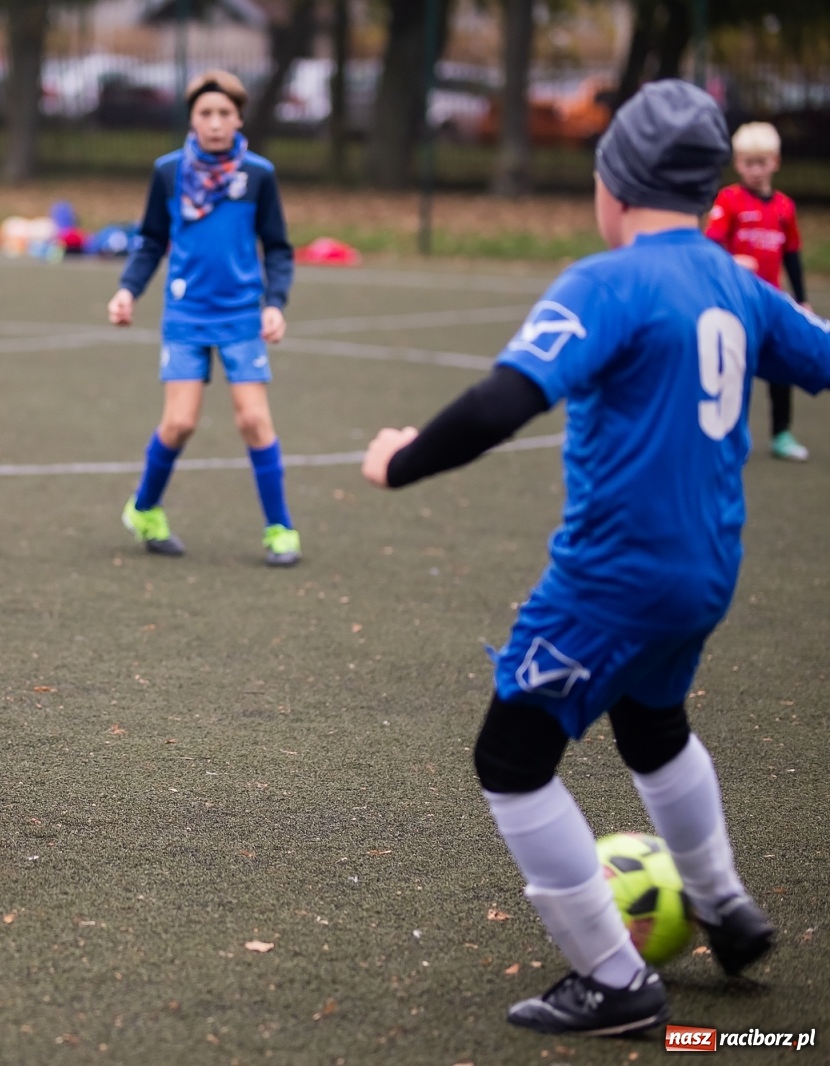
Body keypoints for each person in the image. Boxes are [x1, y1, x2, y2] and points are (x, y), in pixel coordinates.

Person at [360, 81, 830, 1036]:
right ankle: (726, 907)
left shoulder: (608, 282)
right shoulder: (740, 282)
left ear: (611, 184)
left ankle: (615, 980)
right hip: (705, 572)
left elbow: (504, 400)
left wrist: (400, 460)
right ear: (706, 189)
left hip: (613, 578)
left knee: (512, 755)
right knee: (652, 726)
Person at [106, 70, 299, 567]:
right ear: (192, 119)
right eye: (205, 114)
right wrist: (127, 290)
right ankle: (144, 508)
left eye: (225, 114)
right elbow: (150, 240)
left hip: (240, 316)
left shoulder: (258, 175)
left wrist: (275, 302)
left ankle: (280, 528)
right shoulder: (169, 172)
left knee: (255, 420)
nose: (215, 123)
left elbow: (277, 247)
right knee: (180, 423)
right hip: (186, 314)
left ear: (239, 119)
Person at [706, 121, 812, 461]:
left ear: (775, 162)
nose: (754, 169)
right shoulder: (729, 200)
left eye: (761, 162)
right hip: (737, 302)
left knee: (781, 367)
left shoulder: (784, 207)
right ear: (737, 164)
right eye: (747, 163)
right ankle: (727, 434)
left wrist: (801, 298)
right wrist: (732, 260)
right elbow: (711, 245)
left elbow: (792, 254)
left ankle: (781, 433)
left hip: (774, 302)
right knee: (735, 369)